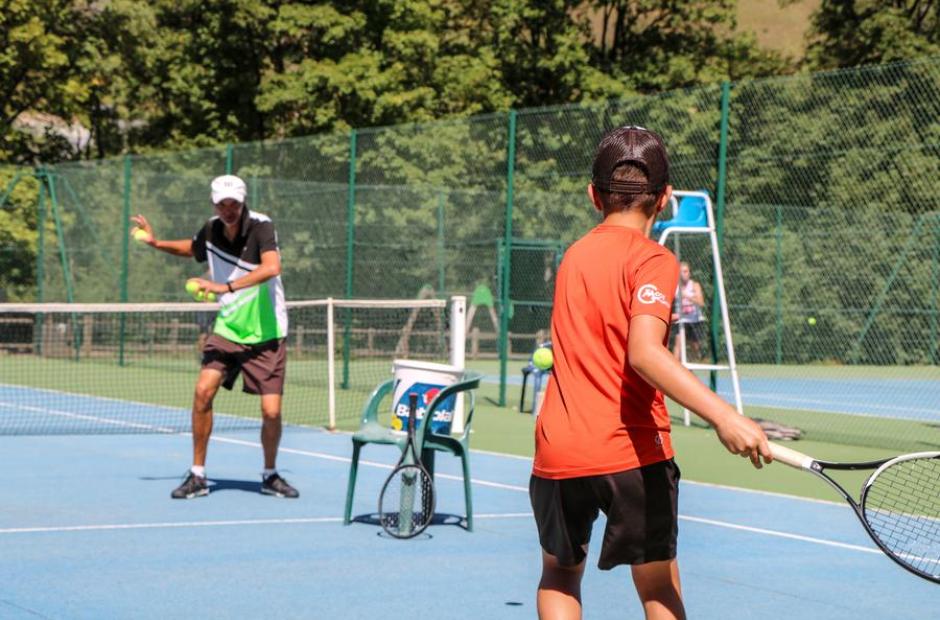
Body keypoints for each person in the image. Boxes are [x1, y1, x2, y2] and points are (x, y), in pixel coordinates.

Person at [530, 126, 770, 620]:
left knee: (559, 573)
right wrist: (725, 416)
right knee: (658, 584)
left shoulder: (573, 257)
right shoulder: (654, 260)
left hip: (558, 450)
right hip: (630, 452)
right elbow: (644, 353)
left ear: (593, 195)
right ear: (664, 200)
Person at [131, 174, 299, 500]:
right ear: (214, 203)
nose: (228, 209)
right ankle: (197, 475)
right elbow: (192, 248)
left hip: (266, 333)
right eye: (222, 203)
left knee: (272, 413)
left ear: (242, 202)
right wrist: (156, 243)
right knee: (202, 392)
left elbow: (272, 267)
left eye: (233, 203)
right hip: (227, 329)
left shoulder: (262, 226)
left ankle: (269, 474)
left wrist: (225, 287)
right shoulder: (211, 229)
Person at [671, 262, 706, 361]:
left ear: (689, 273)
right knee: (678, 344)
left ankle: (691, 365)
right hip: (681, 320)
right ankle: (674, 368)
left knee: (695, 346)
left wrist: (686, 296)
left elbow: (701, 302)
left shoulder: (694, 285)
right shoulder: (675, 287)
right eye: (682, 272)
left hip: (694, 320)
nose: (684, 274)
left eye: (686, 271)